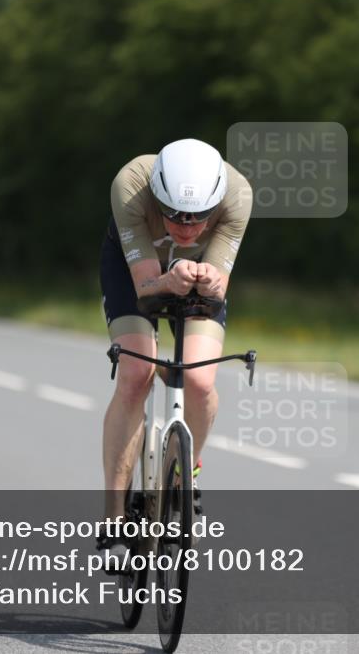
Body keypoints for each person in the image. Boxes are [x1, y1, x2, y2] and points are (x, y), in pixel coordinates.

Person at [99, 138, 252, 551]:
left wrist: (208, 281)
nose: (187, 229)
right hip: (136, 270)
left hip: (196, 274)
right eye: (175, 217)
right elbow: (146, 288)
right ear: (156, 197)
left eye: (199, 219)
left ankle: (184, 473)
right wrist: (168, 279)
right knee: (135, 373)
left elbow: (218, 289)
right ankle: (114, 514)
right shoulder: (130, 185)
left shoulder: (238, 194)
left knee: (200, 381)